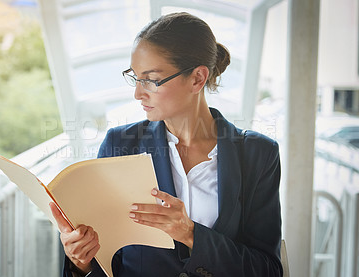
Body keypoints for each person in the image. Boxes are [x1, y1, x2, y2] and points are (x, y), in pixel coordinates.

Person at [50, 12, 283, 277]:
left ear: (197, 78)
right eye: (135, 77)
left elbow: (267, 270)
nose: (138, 93)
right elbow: (107, 262)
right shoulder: (120, 145)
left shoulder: (258, 154)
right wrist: (81, 263)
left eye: (150, 79)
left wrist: (191, 234)